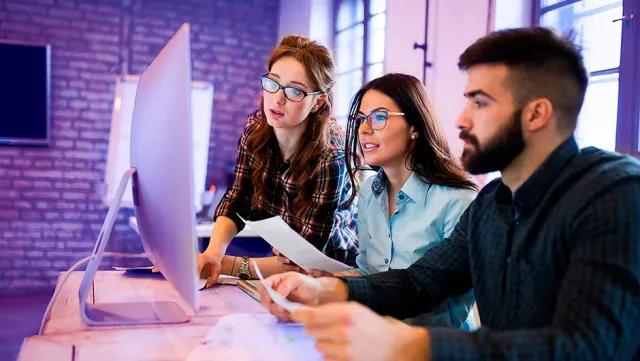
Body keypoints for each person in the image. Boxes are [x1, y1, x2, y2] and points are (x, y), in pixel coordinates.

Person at [259, 27, 640, 360]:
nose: (461, 119)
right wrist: (322, 289)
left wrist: (414, 346)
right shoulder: (492, 203)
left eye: (479, 102)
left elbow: (589, 347)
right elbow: (419, 283)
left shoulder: (613, 192)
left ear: (536, 114)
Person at [277, 73, 479, 330]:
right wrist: (325, 281)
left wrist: (334, 290)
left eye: (379, 117)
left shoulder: (458, 201)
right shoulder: (369, 195)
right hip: (378, 338)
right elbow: (369, 273)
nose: (363, 129)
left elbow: (429, 291)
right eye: (360, 119)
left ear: (415, 126)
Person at [197, 35, 358, 286]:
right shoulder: (256, 129)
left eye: (294, 91)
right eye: (273, 83)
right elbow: (237, 198)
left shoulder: (330, 157)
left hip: (333, 273)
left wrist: (226, 263)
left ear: (318, 101)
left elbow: (305, 259)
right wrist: (213, 253)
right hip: (283, 262)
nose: (277, 99)